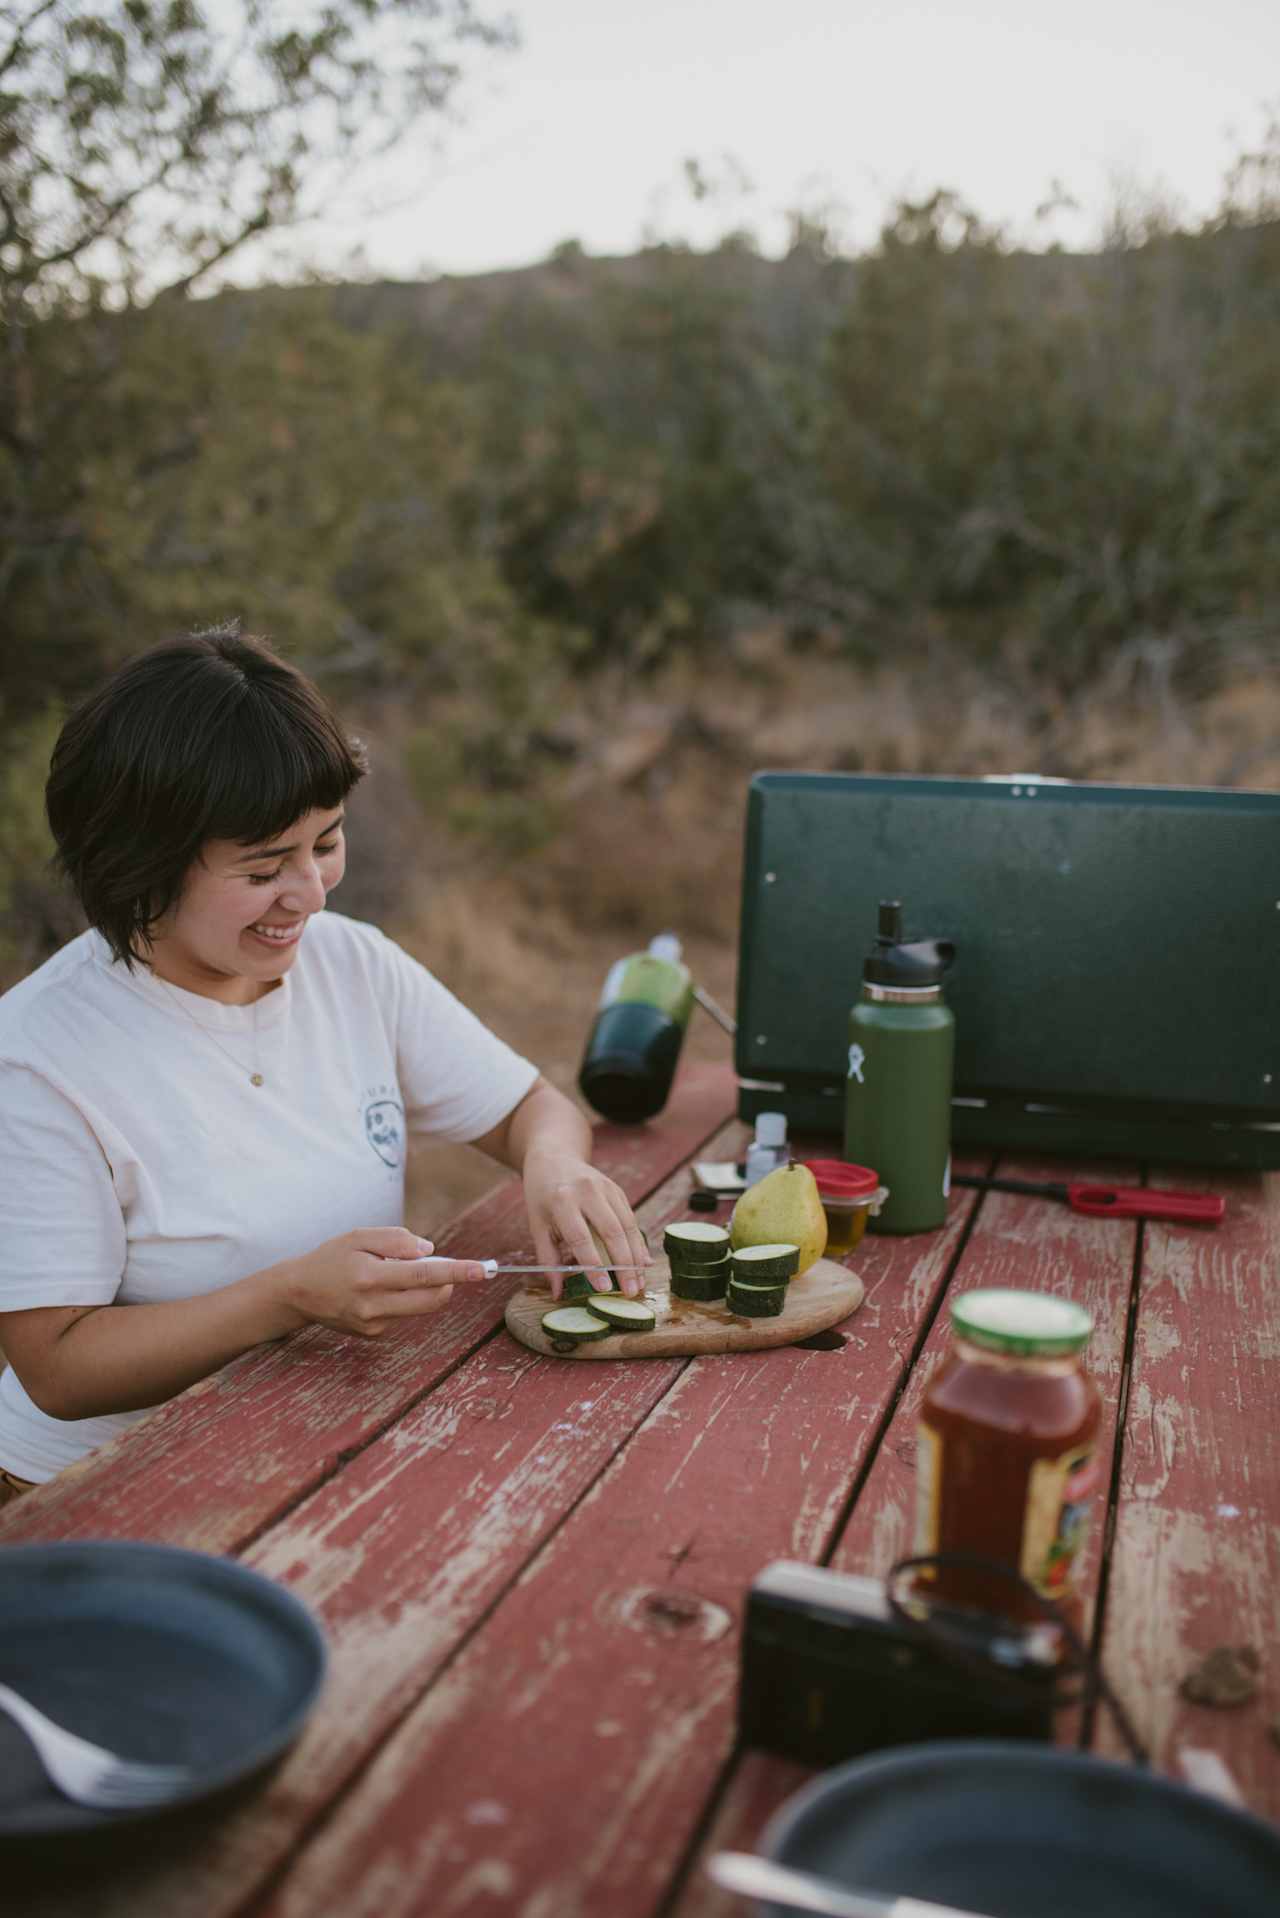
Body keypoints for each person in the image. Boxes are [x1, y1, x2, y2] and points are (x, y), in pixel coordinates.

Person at [0, 627, 649, 1499]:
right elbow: (58, 1369)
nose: (311, 892)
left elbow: (531, 1106)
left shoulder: (351, 964)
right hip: (101, 1489)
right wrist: (290, 1297)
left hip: (314, 1447)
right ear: (140, 869)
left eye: (326, 843)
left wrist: (554, 1164)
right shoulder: (37, 1057)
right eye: (267, 865)